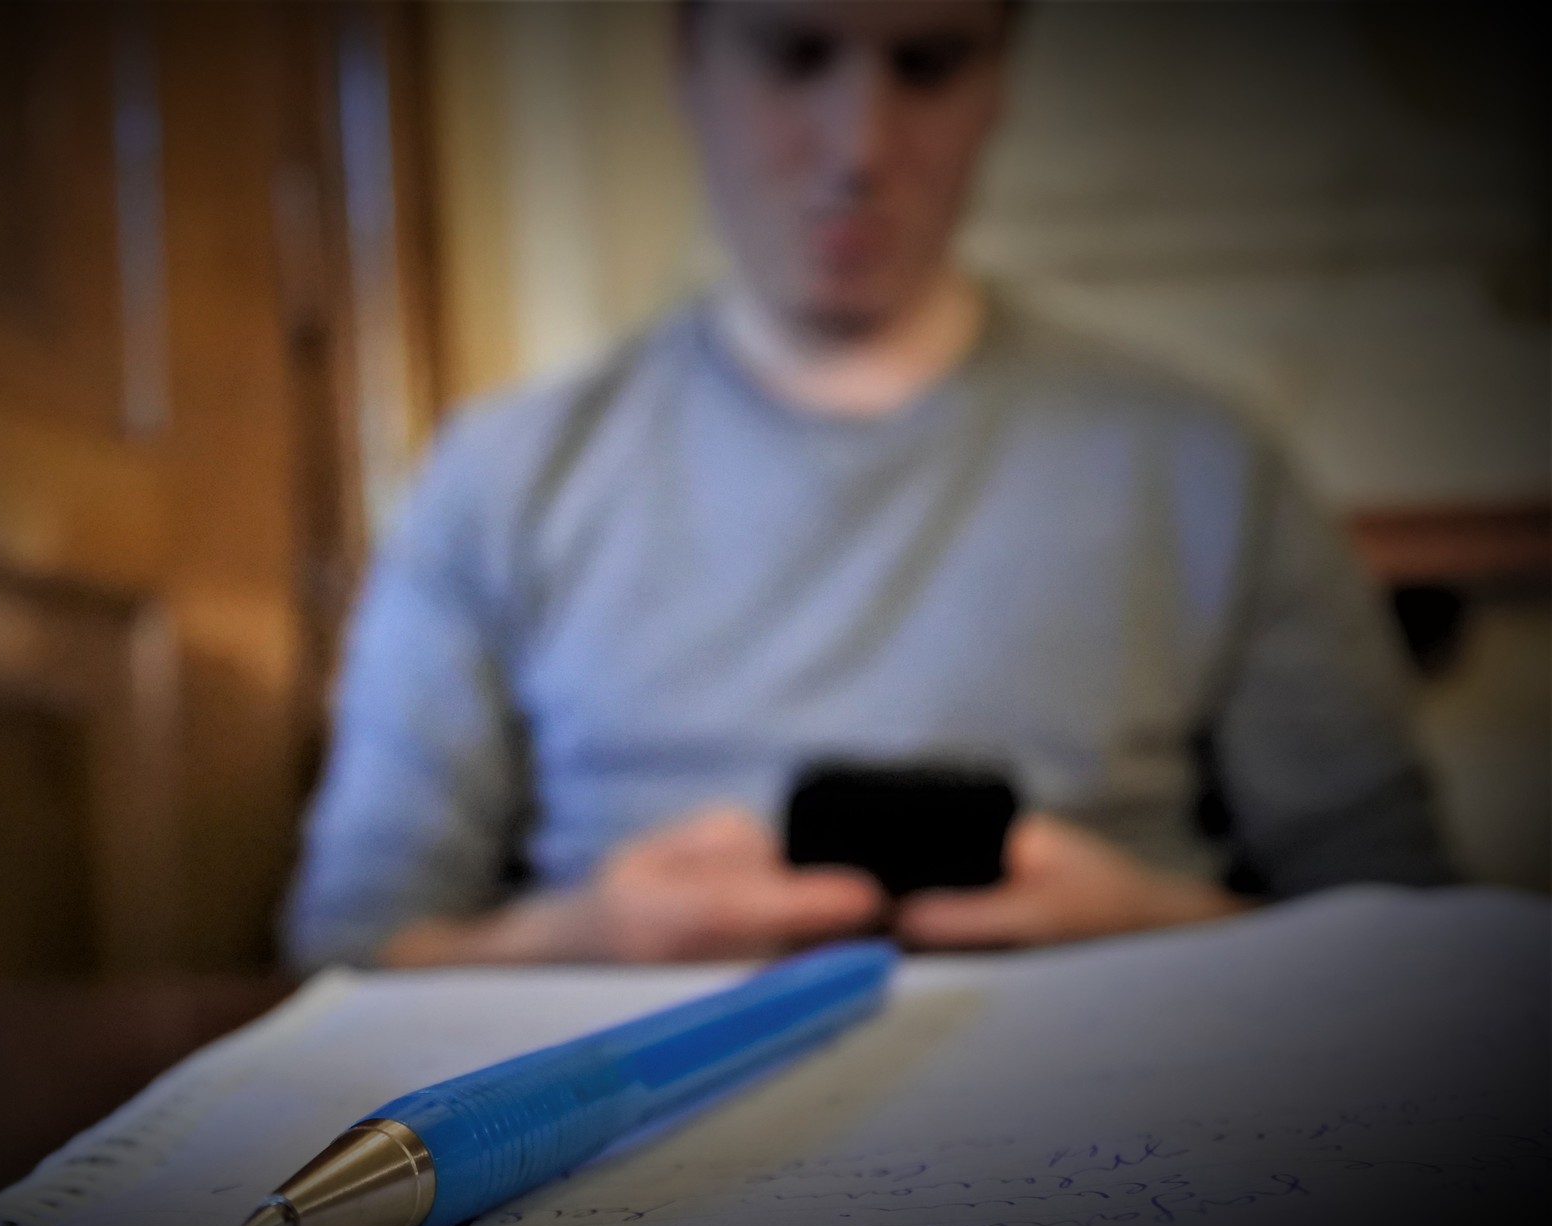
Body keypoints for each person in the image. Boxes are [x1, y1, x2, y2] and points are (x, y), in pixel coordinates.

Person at [283, 0, 1452, 971]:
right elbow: (351, 940)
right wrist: (581, 935)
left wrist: (1160, 924)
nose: (859, 148)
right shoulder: (500, 475)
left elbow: (1409, 924)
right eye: (796, 55)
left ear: (1000, 79)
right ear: (689, 58)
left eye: (929, 65)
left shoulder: (1210, 462)